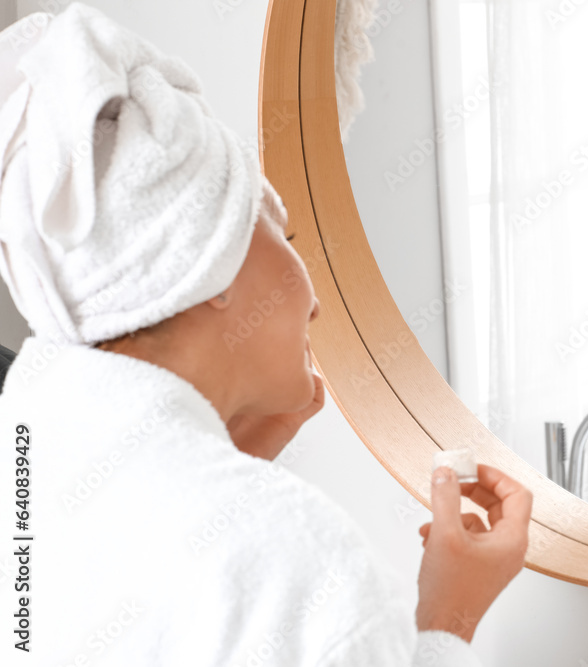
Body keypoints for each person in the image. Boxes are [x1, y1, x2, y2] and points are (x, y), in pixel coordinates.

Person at [0, 4, 531, 665]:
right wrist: (448, 616)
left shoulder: (29, 485)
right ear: (211, 263)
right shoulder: (300, 567)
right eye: (283, 234)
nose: (311, 299)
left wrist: (224, 460)